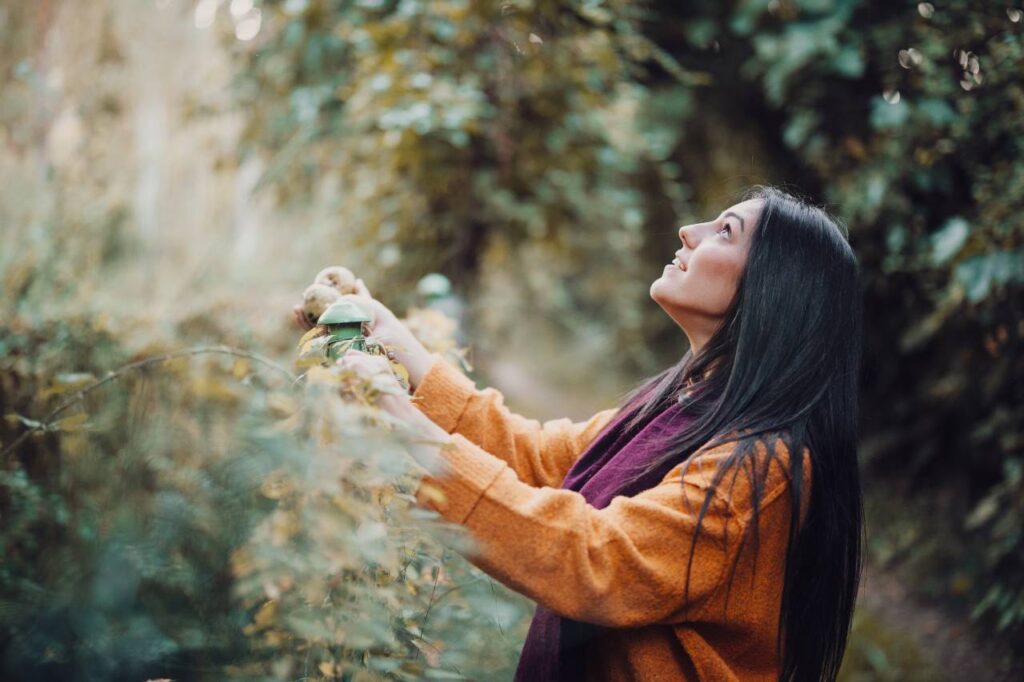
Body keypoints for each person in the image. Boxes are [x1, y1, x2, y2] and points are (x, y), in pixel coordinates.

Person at [295, 185, 864, 681]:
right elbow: (539, 458)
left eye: (725, 231)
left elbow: (595, 558)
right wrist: (395, 341)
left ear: (775, 290)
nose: (689, 232)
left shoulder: (762, 469)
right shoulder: (682, 403)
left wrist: (400, 421)